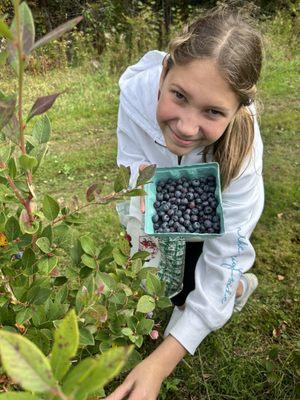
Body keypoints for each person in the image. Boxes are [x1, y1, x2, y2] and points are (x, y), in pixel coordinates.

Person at [106, 7, 264, 400]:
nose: (186, 127)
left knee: (207, 280)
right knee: (165, 279)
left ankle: (238, 287)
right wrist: (148, 210)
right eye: (179, 96)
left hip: (211, 212)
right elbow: (131, 166)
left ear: (238, 110)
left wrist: (159, 365)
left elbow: (227, 250)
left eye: (212, 112)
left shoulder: (242, 153)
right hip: (162, 200)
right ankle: (195, 286)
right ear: (163, 72)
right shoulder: (135, 93)